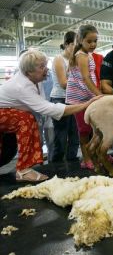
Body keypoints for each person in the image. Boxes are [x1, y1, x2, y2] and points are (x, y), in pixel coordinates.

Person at [0, 48, 101, 182]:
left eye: (45, 65)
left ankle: (24, 168)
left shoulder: (35, 80)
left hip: (7, 114)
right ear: (29, 72)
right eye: (41, 67)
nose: (46, 69)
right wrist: (85, 104)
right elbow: (48, 108)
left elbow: (42, 104)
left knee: (9, 149)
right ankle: (23, 170)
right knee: (26, 119)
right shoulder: (21, 86)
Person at [66, 25, 102, 170]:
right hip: (79, 98)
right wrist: (99, 94)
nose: (93, 44)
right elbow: (86, 78)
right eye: (89, 41)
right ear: (80, 40)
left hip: (88, 96)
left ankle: (98, 154)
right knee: (84, 130)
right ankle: (86, 158)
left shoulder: (87, 54)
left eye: (95, 41)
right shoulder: (81, 55)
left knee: (95, 128)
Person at [50, 31, 79, 162]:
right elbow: (63, 83)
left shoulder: (77, 59)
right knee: (61, 136)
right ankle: (56, 164)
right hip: (60, 99)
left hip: (73, 99)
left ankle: (72, 163)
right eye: (75, 44)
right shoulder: (58, 59)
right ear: (67, 44)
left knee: (75, 134)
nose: (77, 47)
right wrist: (83, 83)